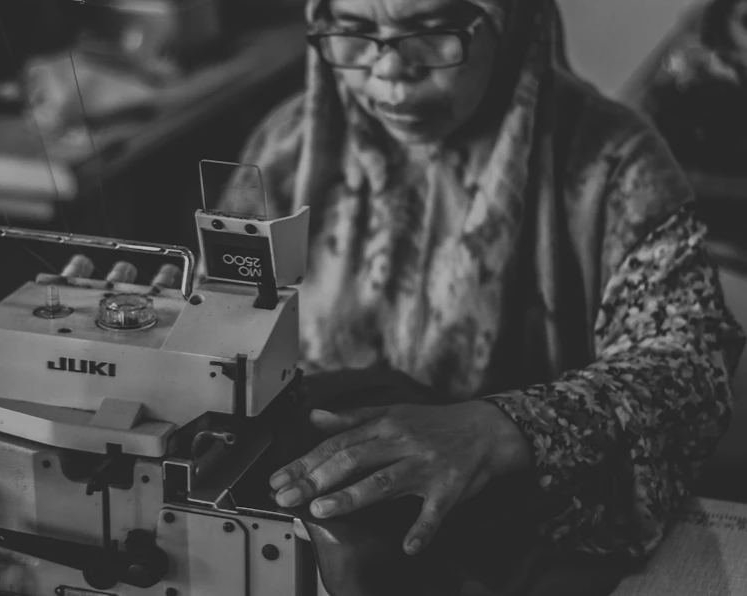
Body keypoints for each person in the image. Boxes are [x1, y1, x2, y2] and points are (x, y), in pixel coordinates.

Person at [81, 0, 745, 572]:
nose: (390, 70)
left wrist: (499, 428)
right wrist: (151, 330)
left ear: (509, 19)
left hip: (511, 549)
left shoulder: (615, 166)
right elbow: (227, 320)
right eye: (353, 31)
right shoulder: (286, 150)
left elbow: (690, 367)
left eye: (431, 30)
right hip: (310, 538)